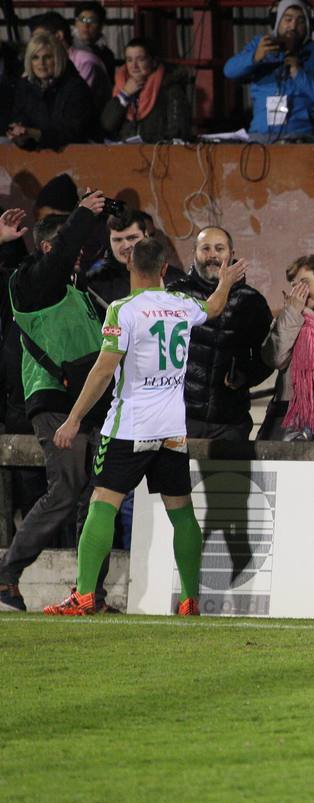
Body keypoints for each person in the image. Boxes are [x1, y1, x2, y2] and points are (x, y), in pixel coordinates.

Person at [43, 241, 243, 616]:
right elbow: (214, 308)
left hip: (130, 426)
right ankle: (189, 599)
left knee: (103, 503)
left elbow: (103, 369)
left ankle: (84, 594)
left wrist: (73, 419)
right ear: (165, 268)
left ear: (130, 264)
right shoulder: (182, 304)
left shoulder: (123, 309)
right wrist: (226, 281)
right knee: (181, 512)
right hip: (172, 430)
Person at [0, 194, 110, 614]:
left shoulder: (73, 288)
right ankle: (7, 574)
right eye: (71, 248)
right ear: (50, 248)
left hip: (90, 401)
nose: (79, 255)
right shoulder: (31, 282)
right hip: (55, 400)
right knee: (65, 491)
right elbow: (62, 254)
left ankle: (88, 594)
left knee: (98, 496)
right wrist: (83, 211)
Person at [168, 227, 274, 441]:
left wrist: (245, 377)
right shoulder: (176, 295)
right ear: (194, 252)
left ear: (231, 254)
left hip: (230, 423)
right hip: (180, 419)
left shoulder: (252, 301)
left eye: (219, 249)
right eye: (205, 248)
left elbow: (267, 357)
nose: (213, 255)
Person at [223, 0, 314, 142]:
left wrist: (298, 74)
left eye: (300, 21)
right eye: (288, 19)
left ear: (309, 26)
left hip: (301, 138)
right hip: (261, 136)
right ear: (276, 21)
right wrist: (254, 57)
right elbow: (229, 71)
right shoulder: (261, 45)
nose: (293, 26)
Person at [260, 255, 314, 440]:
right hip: (292, 426)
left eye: (305, 282)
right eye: (294, 285)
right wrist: (291, 314)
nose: (300, 291)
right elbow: (274, 359)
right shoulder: (288, 318)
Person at [6, 31, 96, 149]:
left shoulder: (76, 88)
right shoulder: (24, 86)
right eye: (35, 57)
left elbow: (72, 132)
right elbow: (19, 118)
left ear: (58, 58)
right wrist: (19, 134)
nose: (41, 63)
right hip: (35, 155)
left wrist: (34, 134)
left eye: (47, 57)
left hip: (76, 156)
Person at [83, 207, 185, 305]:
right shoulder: (96, 283)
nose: (126, 246)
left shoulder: (176, 279)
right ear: (109, 241)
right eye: (118, 240)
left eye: (132, 238)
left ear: (146, 235)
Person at [101, 37, 194, 143]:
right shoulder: (120, 85)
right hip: (125, 154)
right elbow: (107, 125)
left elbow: (178, 132)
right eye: (129, 60)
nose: (134, 66)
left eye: (141, 59)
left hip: (156, 155)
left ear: (153, 62)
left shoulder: (170, 88)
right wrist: (124, 94)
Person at [28, 12, 109, 109]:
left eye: (41, 38)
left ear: (58, 35)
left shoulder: (85, 62)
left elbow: (76, 105)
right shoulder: (46, 64)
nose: (35, 44)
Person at [72, 1, 116, 75]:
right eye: (82, 20)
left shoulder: (106, 55)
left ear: (101, 25)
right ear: (76, 23)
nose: (86, 25)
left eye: (92, 20)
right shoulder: (68, 48)